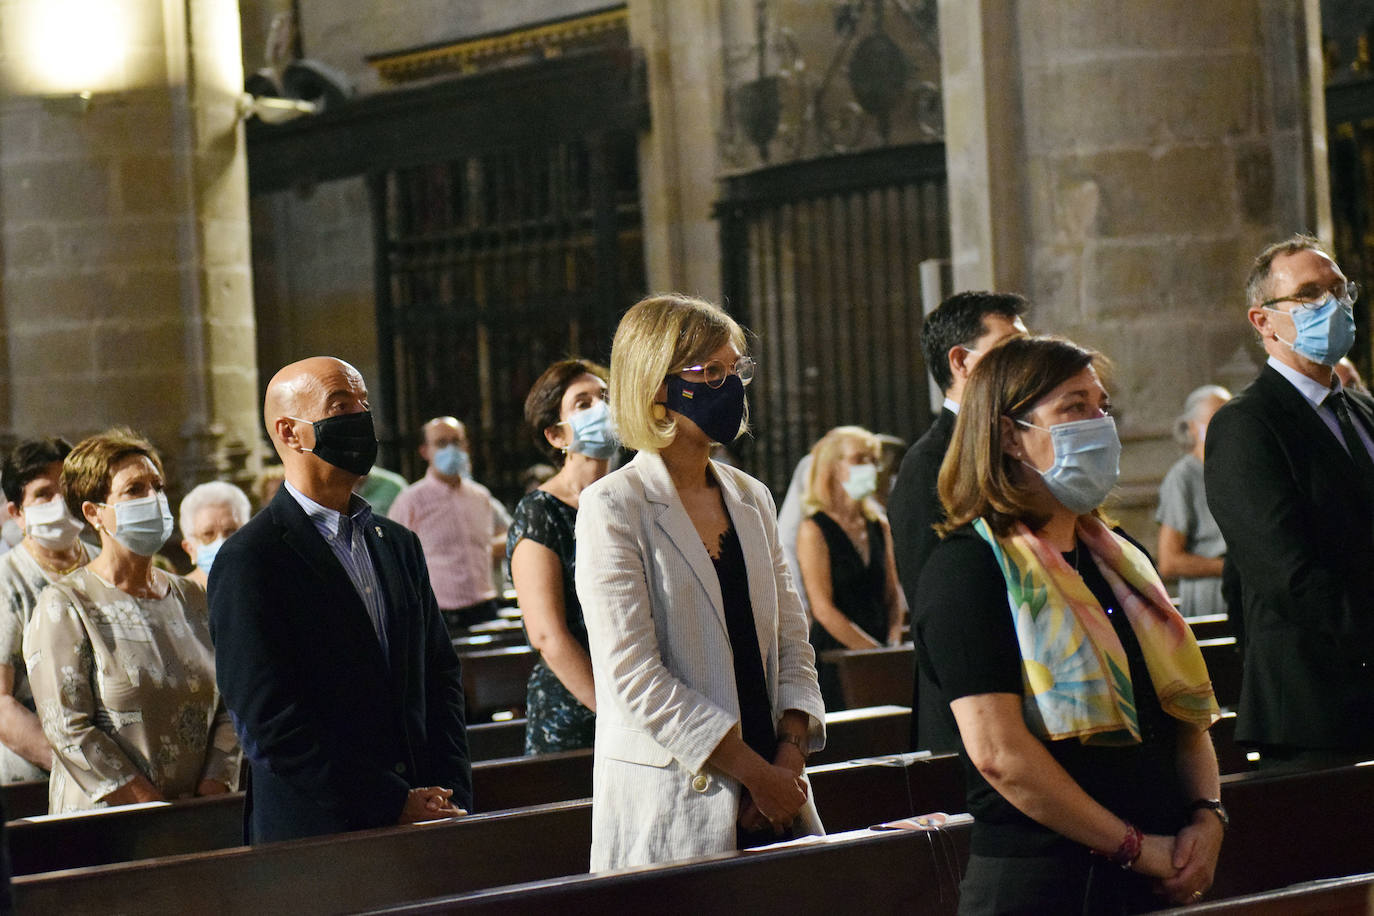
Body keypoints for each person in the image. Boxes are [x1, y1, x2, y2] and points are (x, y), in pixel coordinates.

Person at [915, 336, 1223, 912]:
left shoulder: (1120, 559)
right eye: (1074, 407)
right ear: (1010, 435)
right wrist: (1134, 847)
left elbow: (1182, 717)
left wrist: (1208, 817)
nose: (1099, 423)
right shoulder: (968, 569)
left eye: (1102, 406)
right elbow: (999, 755)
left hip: (1155, 868)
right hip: (1046, 882)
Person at [575, 294, 826, 870]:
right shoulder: (614, 506)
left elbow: (792, 638)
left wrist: (788, 757)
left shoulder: (750, 496)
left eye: (735, 369)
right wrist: (754, 774)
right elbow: (634, 677)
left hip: (776, 785)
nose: (730, 385)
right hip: (679, 792)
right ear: (656, 384)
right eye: (710, 372)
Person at [209, 357, 471, 842]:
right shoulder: (251, 559)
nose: (362, 418)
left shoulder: (397, 543)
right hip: (319, 831)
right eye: (342, 405)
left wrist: (450, 790)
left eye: (364, 404)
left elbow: (439, 675)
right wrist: (390, 802)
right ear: (290, 433)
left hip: (424, 813)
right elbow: (270, 719)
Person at [1205, 235, 1374, 769]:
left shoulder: (1364, 412)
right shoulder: (1246, 425)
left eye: (1338, 289)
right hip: (1316, 708)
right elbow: (1287, 575)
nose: (1332, 305)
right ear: (1263, 321)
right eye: (1308, 294)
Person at [24, 429, 240, 813]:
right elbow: (68, 727)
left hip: (198, 816)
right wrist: (151, 808)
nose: (154, 499)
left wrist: (212, 790)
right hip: (109, 822)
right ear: (94, 513)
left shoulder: (192, 597)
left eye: (157, 486)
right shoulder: (68, 605)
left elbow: (230, 701)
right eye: (134, 490)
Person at [889, 290, 1028, 752]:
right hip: (970, 717)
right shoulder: (928, 463)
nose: (1026, 363)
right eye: (1010, 349)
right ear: (961, 362)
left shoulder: (1017, 445)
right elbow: (936, 603)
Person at [507, 358, 613, 754]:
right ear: (556, 435)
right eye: (583, 404)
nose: (602, 409)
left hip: (644, 695)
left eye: (605, 397)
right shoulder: (542, 511)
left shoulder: (632, 498)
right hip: (575, 714)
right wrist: (615, 714)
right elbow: (548, 635)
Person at [0, 438, 92, 783]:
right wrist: (77, 772)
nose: (59, 503)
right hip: (40, 770)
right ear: (17, 514)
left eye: (66, 490)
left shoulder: (104, 562)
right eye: (42, 494)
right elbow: (1, 702)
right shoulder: (8, 579)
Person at [796, 426, 904, 710]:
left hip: (881, 650)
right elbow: (822, 607)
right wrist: (869, 651)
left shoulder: (879, 525)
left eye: (872, 459)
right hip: (838, 656)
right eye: (859, 459)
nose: (869, 467)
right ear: (832, 468)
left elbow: (892, 592)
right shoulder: (814, 529)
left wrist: (892, 640)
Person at [389, 417, 508, 634]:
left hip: (484, 606)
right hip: (439, 612)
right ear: (425, 451)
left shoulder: (480, 496)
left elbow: (506, 535)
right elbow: (393, 557)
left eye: (457, 441)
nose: (451, 449)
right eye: (442, 443)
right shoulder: (411, 501)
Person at [1155, 386, 1231, 618]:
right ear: (1192, 427)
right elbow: (1169, 562)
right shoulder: (1183, 477)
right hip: (1210, 599)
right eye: (1215, 421)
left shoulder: (1237, 471)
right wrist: (1231, 568)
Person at [178, 481, 251, 589]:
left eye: (231, 532)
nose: (222, 542)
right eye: (208, 534)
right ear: (190, 549)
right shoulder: (178, 598)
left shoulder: (269, 585)